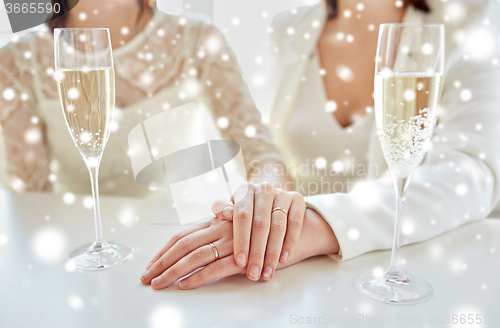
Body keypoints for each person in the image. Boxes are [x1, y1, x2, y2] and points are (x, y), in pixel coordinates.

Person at [142, 0, 500, 289]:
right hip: (297, 279)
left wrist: (316, 226)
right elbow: (272, 150)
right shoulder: (289, 27)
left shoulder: (468, 20)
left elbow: (473, 172)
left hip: (400, 277)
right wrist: (265, 210)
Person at [0, 0, 292, 197]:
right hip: (79, 254)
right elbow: (32, 197)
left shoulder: (197, 39)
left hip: (178, 246)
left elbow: (261, 155)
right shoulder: (18, 62)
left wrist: (265, 200)